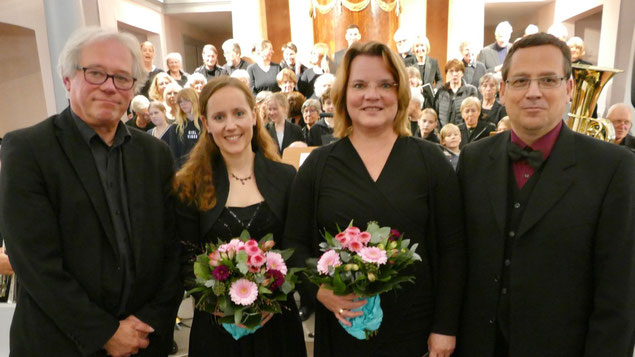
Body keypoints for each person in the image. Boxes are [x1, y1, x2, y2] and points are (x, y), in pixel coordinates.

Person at [0, 27, 182, 356]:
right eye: (96, 73)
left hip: (142, 341)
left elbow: (171, 249)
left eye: (122, 78)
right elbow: (35, 264)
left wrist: (148, 322)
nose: (110, 87)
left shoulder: (155, 154)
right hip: (60, 343)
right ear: (68, 79)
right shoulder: (27, 150)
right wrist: (105, 333)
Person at [456, 32, 635, 357]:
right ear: (504, 89)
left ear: (568, 88)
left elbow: (619, 293)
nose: (533, 92)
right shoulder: (473, 159)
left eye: (548, 80)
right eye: (521, 80)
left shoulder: (614, 168)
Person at [284, 41, 465, 357]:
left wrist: (445, 327)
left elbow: (453, 250)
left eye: (384, 84)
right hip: (342, 330)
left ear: (400, 93)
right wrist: (320, 291)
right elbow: (294, 245)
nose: (372, 95)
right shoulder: (317, 166)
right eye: (359, 85)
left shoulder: (431, 161)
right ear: (343, 96)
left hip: (417, 333)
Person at [174, 77, 306, 357]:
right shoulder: (190, 185)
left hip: (277, 326)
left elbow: (296, 250)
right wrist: (215, 303)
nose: (230, 125)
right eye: (219, 117)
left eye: (239, 113)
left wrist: (274, 297)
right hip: (217, 330)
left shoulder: (285, 178)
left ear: (254, 117)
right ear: (206, 124)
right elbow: (185, 259)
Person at [435, 59, 478, 126]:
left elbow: (473, 113)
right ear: (447, 74)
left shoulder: (470, 90)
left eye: (457, 71)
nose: (454, 74)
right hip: (443, 132)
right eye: (451, 71)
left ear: (462, 73)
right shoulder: (441, 91)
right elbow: (435, 114)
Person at [166, 87, 202, 168]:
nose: (183, 104)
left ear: (194, 100)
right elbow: (174, 155)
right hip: (184, 171)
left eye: (186, 100)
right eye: (180, 102)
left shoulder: (206, 124)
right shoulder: (175, 127)